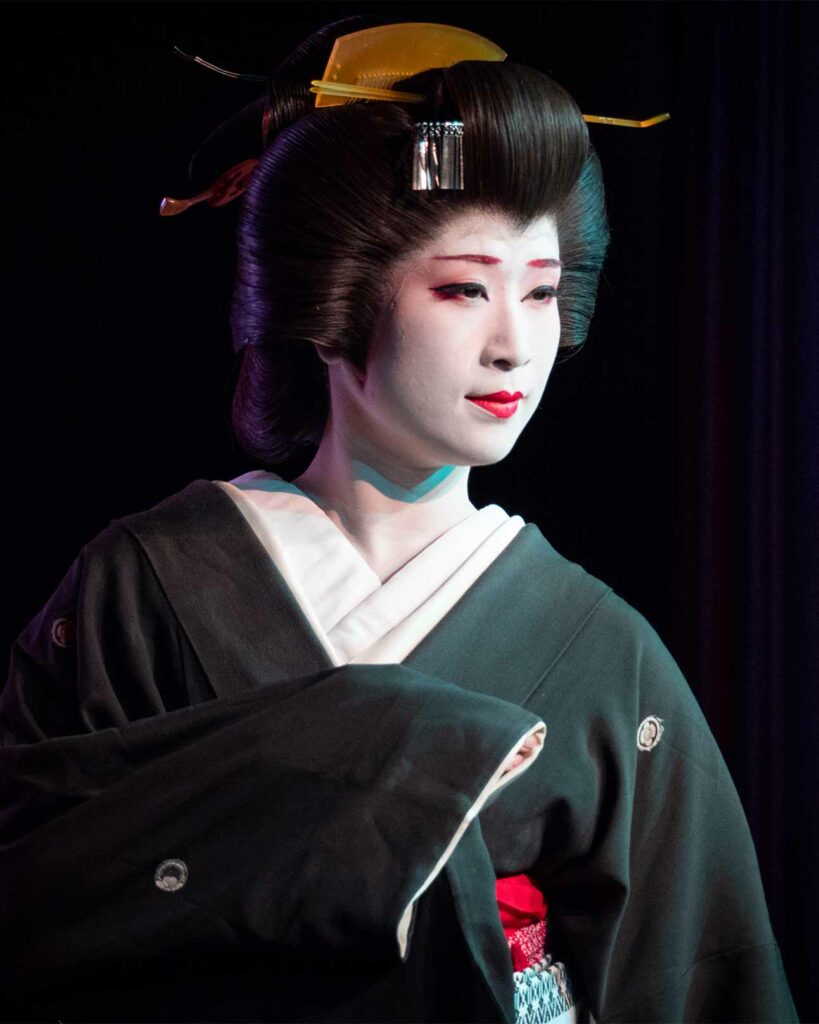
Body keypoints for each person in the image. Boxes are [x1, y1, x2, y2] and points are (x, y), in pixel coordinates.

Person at [0, 15, 798, 1024]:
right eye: (465, 287)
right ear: (334, 306)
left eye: (543, 293)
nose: (517, 344)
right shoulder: (142, 587)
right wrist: (415, 739)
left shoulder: (605, 656)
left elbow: (698, 981)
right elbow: (32, 887)